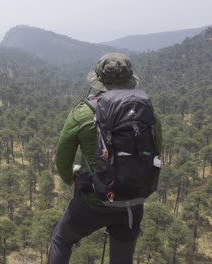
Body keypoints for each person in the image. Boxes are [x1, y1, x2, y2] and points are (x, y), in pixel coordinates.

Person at [48, 53, 162, 264]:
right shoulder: (147, 112)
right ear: (130, 80)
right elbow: (156, 151)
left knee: (61, 240)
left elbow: (63, 160)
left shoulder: (83, 113)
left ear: (98, 81)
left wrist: (74, 177)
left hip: (92, 201)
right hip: (131, 203)